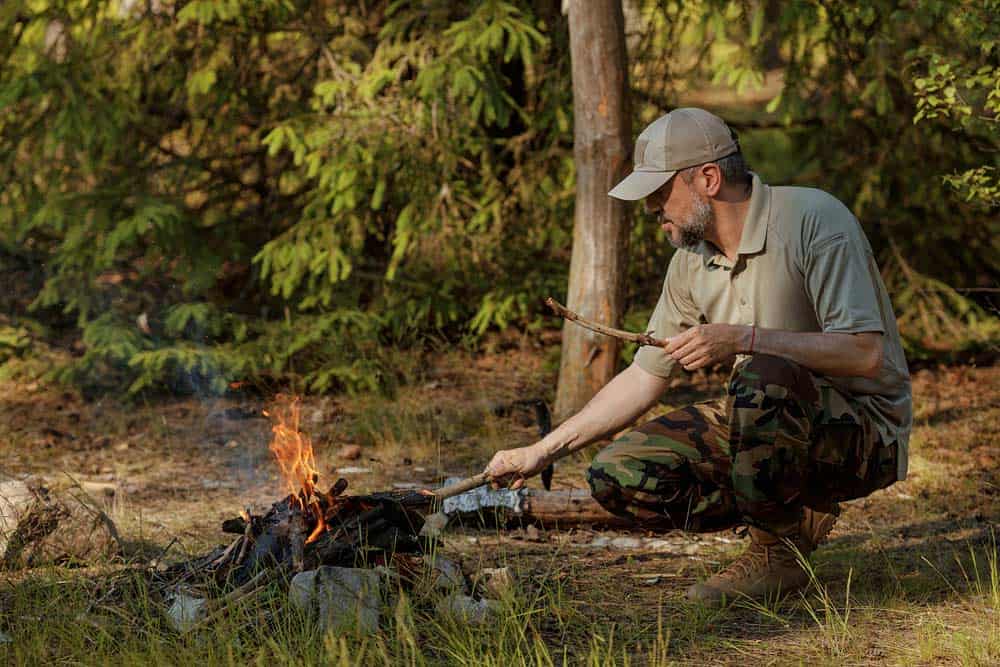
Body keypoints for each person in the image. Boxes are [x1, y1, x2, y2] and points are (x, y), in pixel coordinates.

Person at [484, 107, 912, 603]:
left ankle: (775, 555)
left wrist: (743, 339)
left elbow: (865, 356)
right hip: (769, 423)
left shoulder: (813, 220)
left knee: (761, 375)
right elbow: (644, 379)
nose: (651, 210)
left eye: (660, 194)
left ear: (708, 178)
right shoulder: (689, 263)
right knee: (617, 474)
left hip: (866, 435)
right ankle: (787, 522)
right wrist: (542, 451)